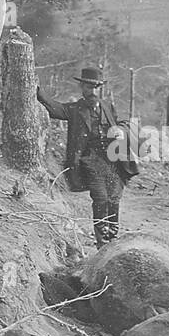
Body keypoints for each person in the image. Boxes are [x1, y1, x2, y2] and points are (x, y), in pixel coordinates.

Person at [37, 67, 139, 247]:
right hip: (90, 160)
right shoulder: (75, 109)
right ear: (82, 88)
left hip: (113, 159)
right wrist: (38, 92)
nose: (92, 92)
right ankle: (101, 242)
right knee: (101, 198)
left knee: (114, 198)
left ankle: (112, 237)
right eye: (88, 88)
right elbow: (56, 108)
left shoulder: (108, 107)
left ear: (100, 89)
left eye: (96, 88)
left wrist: (121, 130)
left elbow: (123, 122)